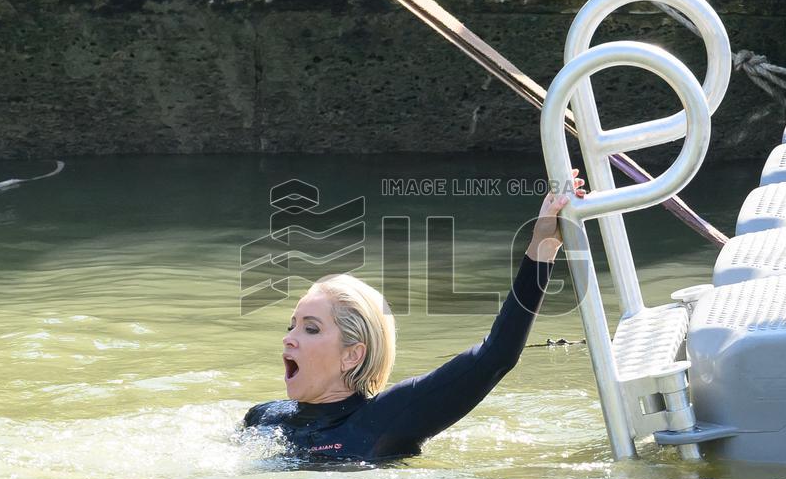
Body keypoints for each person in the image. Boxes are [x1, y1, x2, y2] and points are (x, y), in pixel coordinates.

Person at [243, 173, 586, 462]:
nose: (289, 337)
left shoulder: (385, 419)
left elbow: (495, 356)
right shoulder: (261, 418)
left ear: (353, 354)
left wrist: (543, 245)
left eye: (311, 328)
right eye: (292, 325)